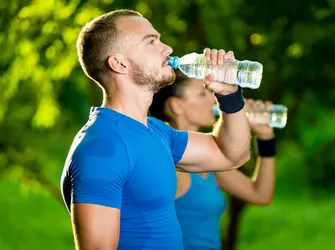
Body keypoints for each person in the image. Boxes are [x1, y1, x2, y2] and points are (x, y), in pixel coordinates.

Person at [60, 9, 252, 250]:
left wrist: (229, 95)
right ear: (119, 63)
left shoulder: (157, 132)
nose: (167, 48)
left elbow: (232, 155)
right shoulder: (102, 148)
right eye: (150, 42)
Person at [149, 70, 277, 250]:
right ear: (176, 106)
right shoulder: (166, 159)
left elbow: (261, 195)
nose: (212, 99)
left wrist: (265, 137)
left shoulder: (207, 159)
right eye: (202, 94)